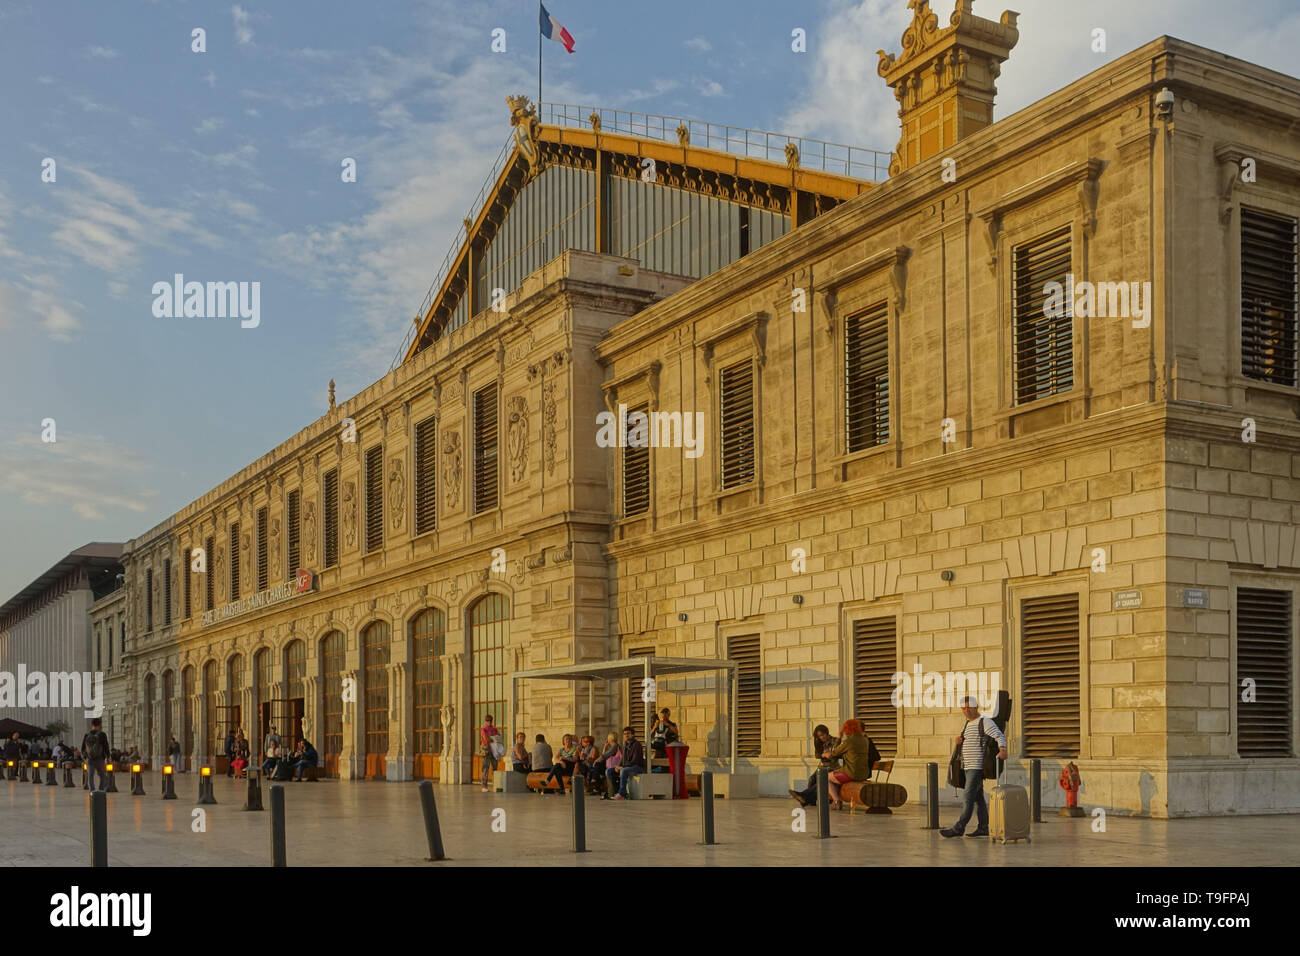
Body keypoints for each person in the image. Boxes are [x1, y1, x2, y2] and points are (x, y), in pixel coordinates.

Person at [941, 696, 1008, 839]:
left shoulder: (985, 721)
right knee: (978, 798)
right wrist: (959, 741)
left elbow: (999, 735)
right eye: (963, 708)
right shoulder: (968, 724)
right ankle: (984, 827)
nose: (966, 711)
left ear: (975, 707)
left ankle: (959, 828)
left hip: (976, 767)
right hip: (967, 766)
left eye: (968, 707)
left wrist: (1002, 749)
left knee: (968, 798)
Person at [823, 719, 878, 810]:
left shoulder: (849, 741)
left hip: (851, 773)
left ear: (847, 729)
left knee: (826, 777)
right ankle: (836, 800)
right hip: (864, 773)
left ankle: (837, 801)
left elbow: (833, 754)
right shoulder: (865, 740)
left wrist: (838, 739)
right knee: (835, 777)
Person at [789, 724, 840, 807]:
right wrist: (823, 755)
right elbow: (817, 755)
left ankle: (804, 796)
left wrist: (829, 754)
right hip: (822, 766)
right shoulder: (819, 742)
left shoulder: (835, 741)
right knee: (812, 780)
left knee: (821, 782)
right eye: (819, 736)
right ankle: (810, 800)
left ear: (826, 733)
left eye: (823, 735)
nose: (822, 737)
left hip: (832, 767)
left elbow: (835, 753)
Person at [607, 726, 646, 800]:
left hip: (637, 767)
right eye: (624, 734)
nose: (626, 735)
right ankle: (613, 792)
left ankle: (622, 794)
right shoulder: (625, 744)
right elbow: (622, 758)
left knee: (624, 770)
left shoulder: (636, 744)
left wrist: (622, 767)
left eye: (628, 733)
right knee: (608, 771)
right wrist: (618, 766)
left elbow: (635, 761)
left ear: (633, 734)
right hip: (628, 766)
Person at [82, 718, 110, 792]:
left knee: (90, 775)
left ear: (92, 725)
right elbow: (106, 746)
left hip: (90, 759)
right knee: (102, 775)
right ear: (99, 725)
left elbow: (83, 748)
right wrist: (108, 757)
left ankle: (92, 791)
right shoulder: (102, 735)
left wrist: (85, 757)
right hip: (100, 758)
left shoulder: (87, 735)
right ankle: (101, 790)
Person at [479, 714, 503, 792]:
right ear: (485, 721)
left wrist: (492, 739)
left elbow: (499, 737)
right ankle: (484, 786)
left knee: (495, 768)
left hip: (494, 750)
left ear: (492, 721)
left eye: (490, 720)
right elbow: (486, 739)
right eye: (487, 720)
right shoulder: (484, 729)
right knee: (485, 768)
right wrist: (493, 739)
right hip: (486, 750)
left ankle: (495, 785)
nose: (489, 722)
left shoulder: (494, 729)